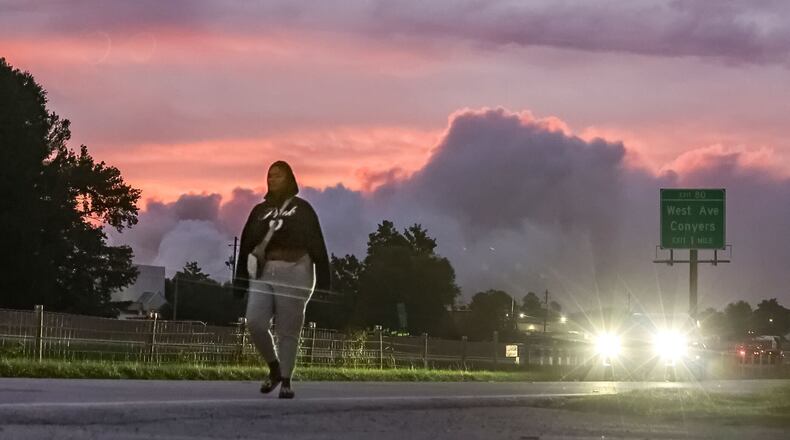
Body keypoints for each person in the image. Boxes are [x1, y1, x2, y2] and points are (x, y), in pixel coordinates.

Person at [233, 160, 330, 399]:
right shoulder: (258, 212)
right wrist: (240, 280)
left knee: (288, 328)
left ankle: (286, 380)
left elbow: (317, 242)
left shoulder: (303, 209)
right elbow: (246, 244)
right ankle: (274, 368)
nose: (272, 179)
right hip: (264, 271)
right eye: (269, 176)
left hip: (296, 269)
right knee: (255, 322)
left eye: (277, 175)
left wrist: (325, 280)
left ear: (289, 178)